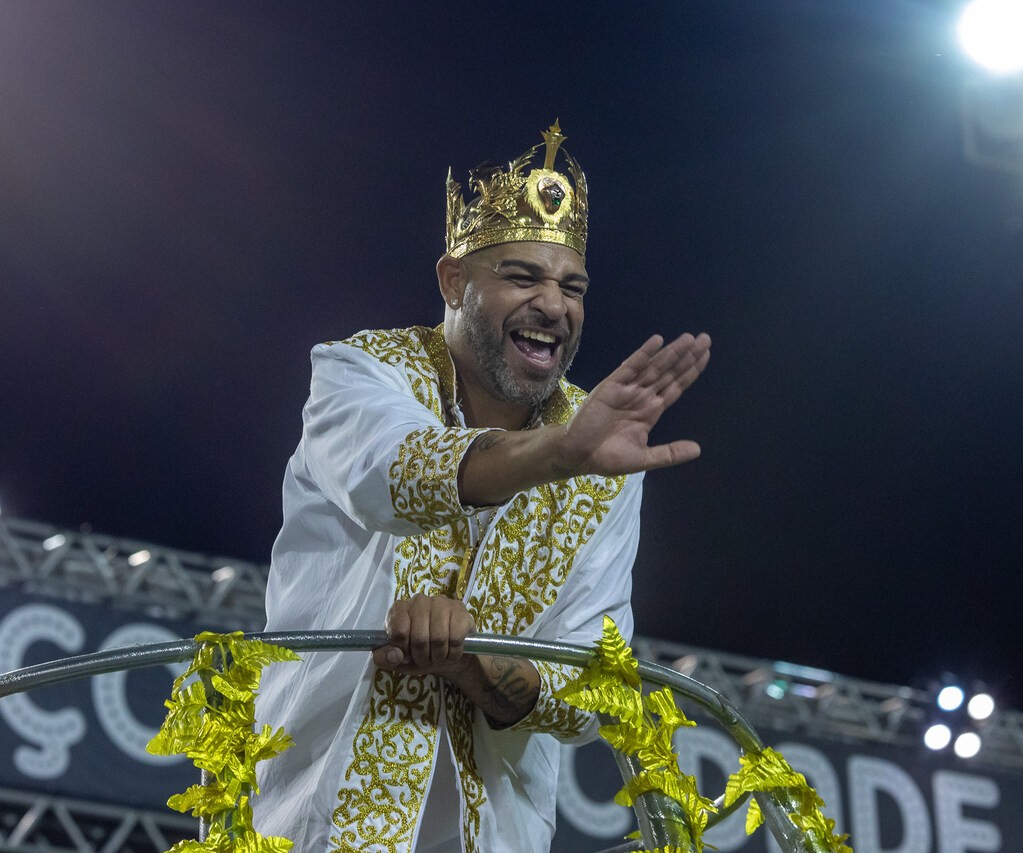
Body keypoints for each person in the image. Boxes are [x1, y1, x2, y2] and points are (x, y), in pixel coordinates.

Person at [252, 122, 712, 853]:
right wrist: (557, 454)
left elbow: (590, 689)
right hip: (314, 830)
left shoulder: (601, 454)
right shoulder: (359, 371)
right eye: (523, 277)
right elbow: (398, 470)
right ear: (454, 280)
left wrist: (470, 660)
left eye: (572, 286)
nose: (554, 306)